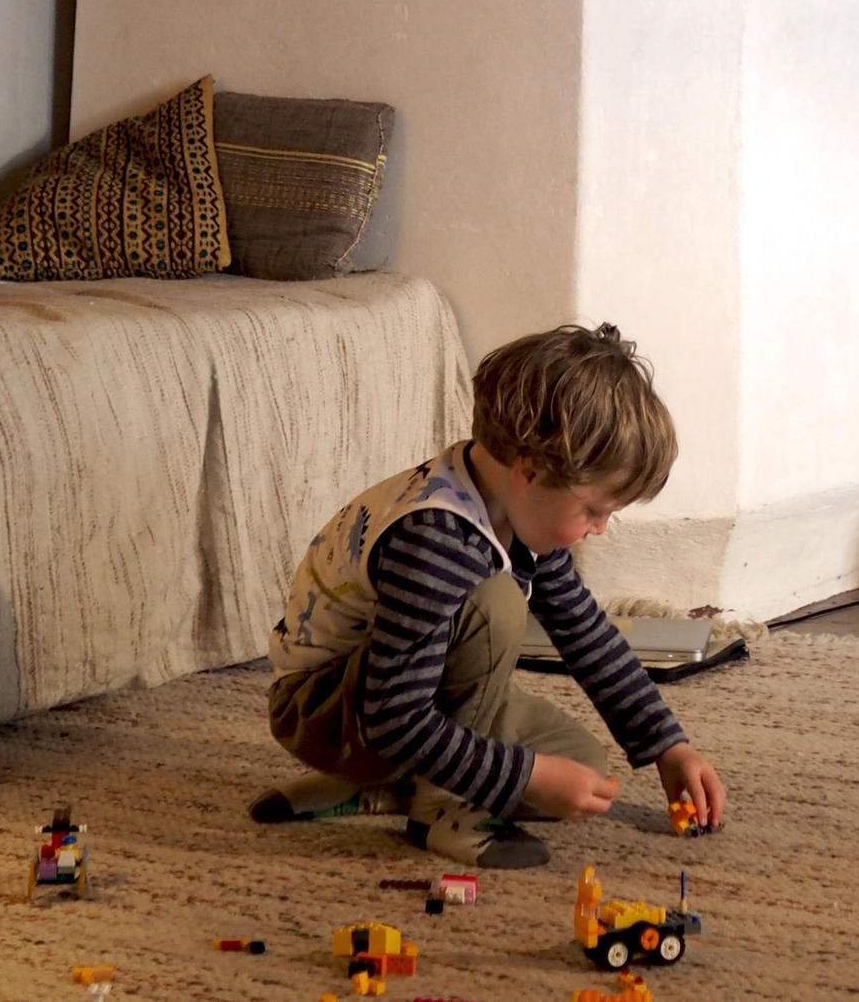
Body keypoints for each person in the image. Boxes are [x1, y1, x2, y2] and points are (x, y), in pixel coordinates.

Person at [255, 322, 727, 869]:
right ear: (530, 469)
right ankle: (444, 810)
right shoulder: (437, 539)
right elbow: (394, 717)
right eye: (594, 511)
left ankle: (382, 791)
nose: (598, 529)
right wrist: (524, 776)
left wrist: (668, 746)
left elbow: (586, 635)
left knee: (580, 766)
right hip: (330, 713)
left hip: (398, 695)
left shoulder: (510, 507)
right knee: (496, 605)